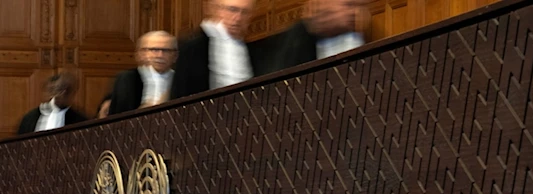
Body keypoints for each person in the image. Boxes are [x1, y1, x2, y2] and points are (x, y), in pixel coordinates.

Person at [170, 0, 367, 100]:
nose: (237, 18)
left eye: (244, 12)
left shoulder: (255, 50)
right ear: (214, 9)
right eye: (232, 10)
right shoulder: (192, 47)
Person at [108, 31, 178, 115]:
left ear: (175, 56)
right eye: (154, 50)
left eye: (166, 50)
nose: (160, 55)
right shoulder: (127, 79)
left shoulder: (180, 80)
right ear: (141, 53)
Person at [17, 72, 88, 135]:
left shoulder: (80, 122)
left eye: (67, 91)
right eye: (59, 89)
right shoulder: (30, 118)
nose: (62, 94)